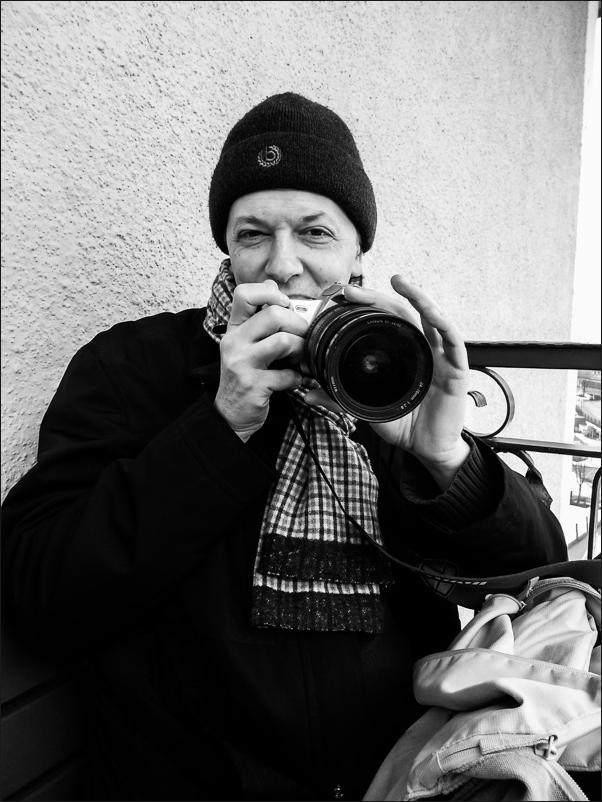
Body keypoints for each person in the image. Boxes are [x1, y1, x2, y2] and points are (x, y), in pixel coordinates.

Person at [1, 92, 567, 801]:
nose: (283, 263)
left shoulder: (389, 373)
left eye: (315, 232)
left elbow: (542, 574)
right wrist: (221, 426)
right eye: (252, 234)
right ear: (227, 248)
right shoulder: (133, 366)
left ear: (358, 251)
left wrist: (444, 459)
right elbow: (43, 593)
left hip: (397, 780)